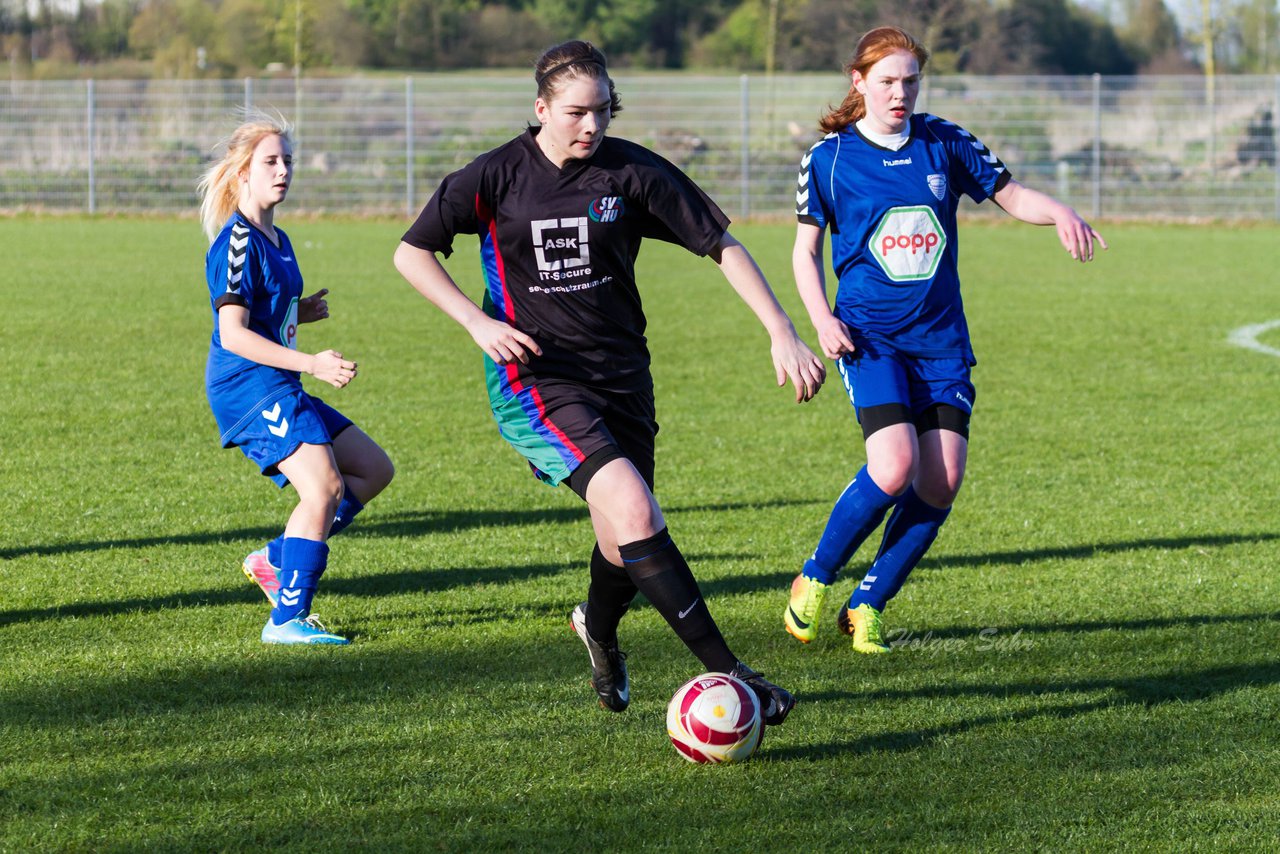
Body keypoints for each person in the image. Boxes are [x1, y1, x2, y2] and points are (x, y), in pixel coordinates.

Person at [394, 40, 826, 725]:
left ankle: (597, 630)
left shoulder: (631, 172)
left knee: (621, 541)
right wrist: (477, 323)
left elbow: (721, 244)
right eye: (575, 112)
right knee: (636, 511)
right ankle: (732, 674)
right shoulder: (496, 177)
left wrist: (781, 328)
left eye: (603, 110)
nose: (592, 125)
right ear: (541, 109)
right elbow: (410, 251)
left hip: (623, 377)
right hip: (535, 378)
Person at [784, 26, 1106, 653]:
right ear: (859, 82)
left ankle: (868, 604)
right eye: (886, 82)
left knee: (941, 481)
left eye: (910, 81)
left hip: (940, 343)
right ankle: (815, 578)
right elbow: (805, 250)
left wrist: (1060, 211)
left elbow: (1011, 195)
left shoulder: (945, 142)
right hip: (868, 337)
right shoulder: (829, 159)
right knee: (895, 465)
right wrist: (821, 317)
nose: (899, 93)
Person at [199, 114, 394, 645]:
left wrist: (297, 311)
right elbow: (234, 334)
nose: (283, 170)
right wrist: (311, 361)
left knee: (372, 470)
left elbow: (262, 313)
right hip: (249, 386)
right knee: (324, 487)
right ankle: (287, 619)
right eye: (270, 161)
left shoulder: (276, 236)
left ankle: (275, 559)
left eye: (288, 160)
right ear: (242, 173)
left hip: (277, 381)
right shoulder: (238, 243)